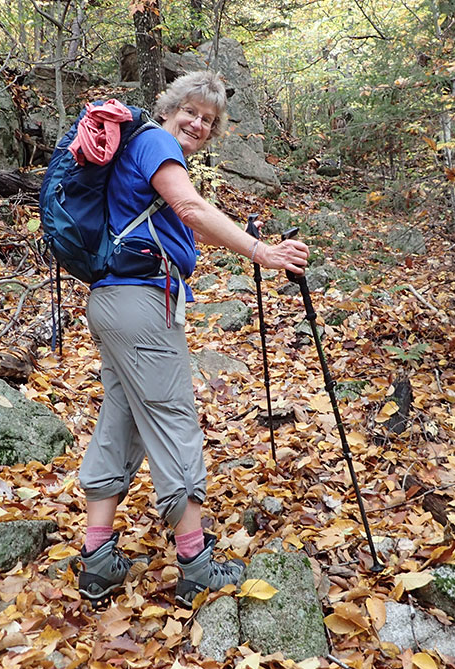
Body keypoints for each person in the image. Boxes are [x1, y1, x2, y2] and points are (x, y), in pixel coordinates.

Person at [75, 71, 309, 606]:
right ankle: (195, 563)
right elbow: (192, 208)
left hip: (113, 302)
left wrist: (251, 240)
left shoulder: (140, 151)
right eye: (192, 112)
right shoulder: (156, 142)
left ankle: (96, 560)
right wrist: (264, 254)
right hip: (140, 304)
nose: (199, 124)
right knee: (174, 419)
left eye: (209, 119)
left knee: (124, 417)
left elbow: (193, 224)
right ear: (169, 108)